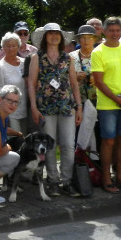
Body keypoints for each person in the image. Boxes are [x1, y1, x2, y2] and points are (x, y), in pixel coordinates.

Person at [28, 23, 83, 197]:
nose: (54, 36)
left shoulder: (68, 58)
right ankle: (53, 181)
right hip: (46, 107)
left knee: (67, 145)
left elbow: (74, 84)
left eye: (56, 33)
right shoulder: (37, 57)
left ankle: (66, 182)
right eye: (50, 33)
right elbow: (31, 84)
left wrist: (79, 107)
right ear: (45, 37)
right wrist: (34, 108)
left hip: (67, 107)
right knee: (49, 146)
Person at [90, 17, 121, 194]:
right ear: (104, 31)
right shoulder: (98, 52)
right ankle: (106, 178)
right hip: (108, 105)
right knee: (109, 141)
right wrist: (117, 99)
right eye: (111, 30)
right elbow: (99, 82)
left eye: (118, 30)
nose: (115, 34)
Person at [69, 25, 100, 150]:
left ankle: (98, 164)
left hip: (100, 101)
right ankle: (80, 163)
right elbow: (64, 79)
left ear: (95, 40)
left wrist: (96, 78)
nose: (86, 41)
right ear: (79, 40)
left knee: (99, 135)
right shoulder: (71, 56)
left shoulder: (101, 54)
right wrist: (75, 77)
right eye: (83, 38)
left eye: (89, 38)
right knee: (78, 134)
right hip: (78, 101)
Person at [0, 32, 28, 136]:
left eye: (14, 45)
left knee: (26, 139)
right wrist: (3, 115)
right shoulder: (0, 66)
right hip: (10, 111)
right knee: (17, 139)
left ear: (18, 46)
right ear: (3, 47)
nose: (11, 48)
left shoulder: (24, 62)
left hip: (26, 108)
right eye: (7, 46)